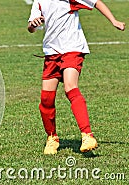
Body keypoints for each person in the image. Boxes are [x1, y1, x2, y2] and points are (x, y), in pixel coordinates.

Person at [27, 0, 125, 154]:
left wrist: (114, 21)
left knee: (70, 87)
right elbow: (31, 28)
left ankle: (87, 135)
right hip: (51, 53)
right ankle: (52, 137)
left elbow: (96, 2)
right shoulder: (39, 1)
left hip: (72, 48)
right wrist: (33, 24)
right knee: (46, 99)